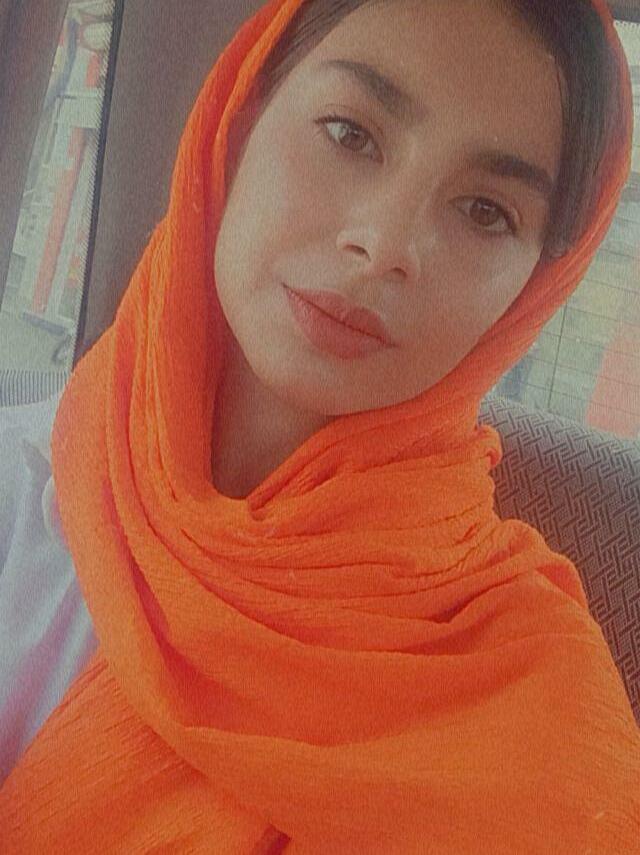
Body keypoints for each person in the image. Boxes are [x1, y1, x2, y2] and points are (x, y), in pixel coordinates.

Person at [0, 0, 639, 851]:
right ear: (241, 118)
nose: (384, 243)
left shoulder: (530, 705)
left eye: (487, 211)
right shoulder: (21, 494)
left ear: (531, 290)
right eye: (350, 133)